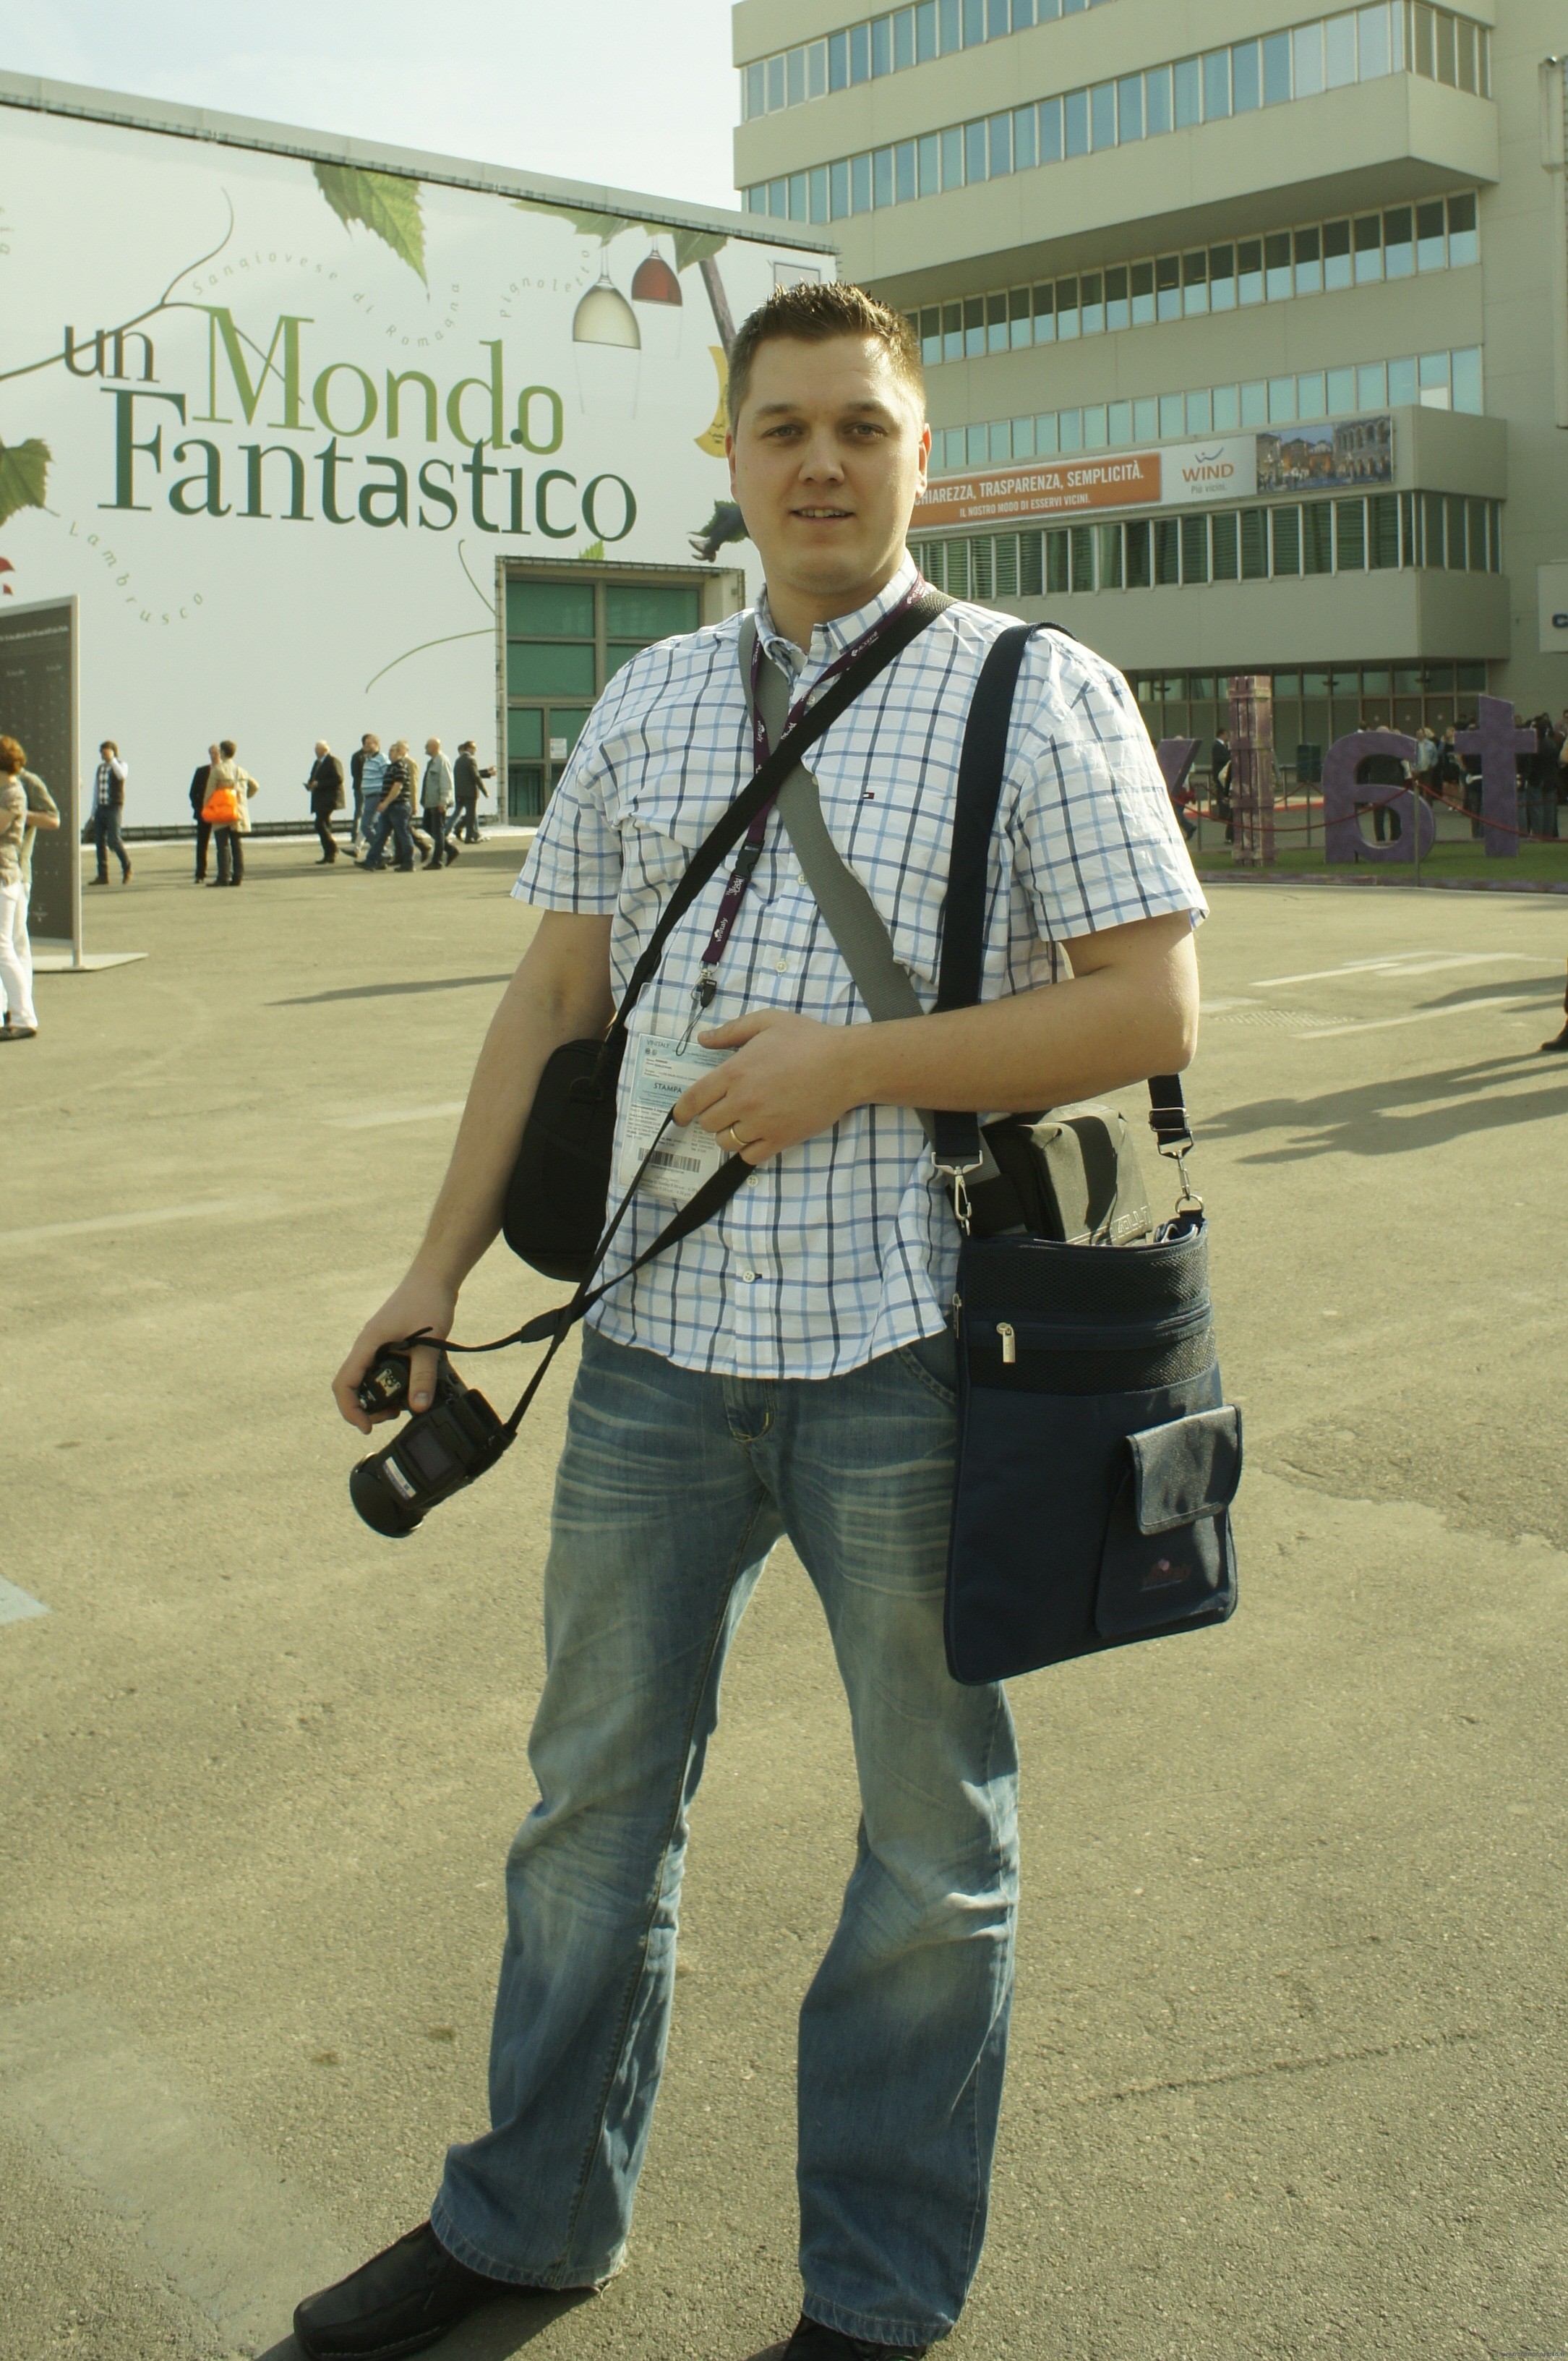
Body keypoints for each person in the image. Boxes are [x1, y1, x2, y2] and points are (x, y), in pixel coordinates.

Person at [301, 280, 1203, 2361]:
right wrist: (435, 1271)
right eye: (781, 426)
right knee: (588, 1811)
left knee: (930, 1851)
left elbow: (1150, 1007)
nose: (819, 463)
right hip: (646, 1355)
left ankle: (871, 2306)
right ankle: (524, 2221)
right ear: (728, 455)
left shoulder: (1034, 691)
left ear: (919, 455)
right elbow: (552, 997)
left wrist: (853, 1067)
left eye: (860, 428)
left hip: (911, 1352)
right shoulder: (647, 699)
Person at [0, 733, 47, 1041]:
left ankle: (23, 1016)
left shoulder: (12, 793)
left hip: (3, 873)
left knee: (3, 947)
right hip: (7, 874)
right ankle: (16, 1014)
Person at [202, 738, 251, 887]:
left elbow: (209, 792)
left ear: (222, 752)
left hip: (222, 812)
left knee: (223, 845)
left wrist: (206, 809)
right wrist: (243, 799)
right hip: (238, 811)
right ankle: (238, 876)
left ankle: (223, 876)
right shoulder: (242, 771)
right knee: (237, 845)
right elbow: (255, 786)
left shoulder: (218, 770)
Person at [363, 739, 416, 871]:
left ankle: (409, 863)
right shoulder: (391, 767)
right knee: (381, 835)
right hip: (389, 807)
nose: (390, 753)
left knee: (403, 835)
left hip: (399, 806)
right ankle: (371, 861)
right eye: (389, 751)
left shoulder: (401, 767)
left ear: (399, 753)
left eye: (393, 751)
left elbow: (397, 787)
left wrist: (385, 802)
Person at [87, 740, 132, 885]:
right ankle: (103, 875)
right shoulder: (100, 768)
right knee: (99, 842)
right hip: (101, 808)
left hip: (114, 808)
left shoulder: (121, 765)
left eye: (105, 751)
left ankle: (127, 867)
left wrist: (112, 760)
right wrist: (93, 811)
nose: (103, 754)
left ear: (113, 752)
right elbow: (96, 790)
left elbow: (121, 776)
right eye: (101, 752)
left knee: (114, 840)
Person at [420, 738, 458, 869]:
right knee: (427, 826)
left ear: (435, 747)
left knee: (438, 831)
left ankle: (437, 861)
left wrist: (444, 801)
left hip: (438, 803)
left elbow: (447, 782)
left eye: (428, 746)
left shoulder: (442, 761)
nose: (425, 748)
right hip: (430, 802)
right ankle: (450, 849)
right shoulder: (432, 762)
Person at [307, 741, 346, 863]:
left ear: (325, 750)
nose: (316, 751)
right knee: (325, 824)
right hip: (319, 798)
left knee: (320, 823)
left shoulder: (332, 761)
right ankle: (329, 854)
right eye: (315, 749)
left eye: (318, 749)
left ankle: (333, 848)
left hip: (330, 798)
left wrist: (320, 784)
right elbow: (313, 777)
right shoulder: (317, 763)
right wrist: (310, 784)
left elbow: (339, 778)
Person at [453, 741, 494, 843]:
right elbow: (476, 776)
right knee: (470, 815)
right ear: (468, 748)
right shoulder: (471, 759)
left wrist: (487, 772)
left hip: (460, 792)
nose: (475, 750)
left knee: (469, 814)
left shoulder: (458, 760)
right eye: (474, 748)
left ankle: (461, 830)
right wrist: (485, 791)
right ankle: (468, 837)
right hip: (470, 792)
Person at [190, 746, 218, 881]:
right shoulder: (201, 771)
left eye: (216, 753)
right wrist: (198, 807)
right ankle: (200, 873)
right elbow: (192, 792)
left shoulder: (224, 771)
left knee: (222, 844)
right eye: (211, 753)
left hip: (220, 813)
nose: (213, 756)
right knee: (202, 844)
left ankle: (224, 871)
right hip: (204, 813)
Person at [349, 733, 377, 858]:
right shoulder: (358, 756)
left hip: (373, 790)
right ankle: (356, 836)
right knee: (360, 812)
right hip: (361, 788)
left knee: (372, 816)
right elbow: (355, 773)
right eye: (367, 743)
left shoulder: (377, 758)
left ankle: (365, 841)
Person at [1209, 728, 1233, 842]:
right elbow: (1219, 758)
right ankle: (1223, 813)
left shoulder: (1223, 745)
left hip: (1223, 773)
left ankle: (1224, 812)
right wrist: (1230, 757)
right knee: (1222, 793)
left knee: (1223, 793)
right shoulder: (1217, 746)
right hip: (1221, 773)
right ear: (1222, 734)